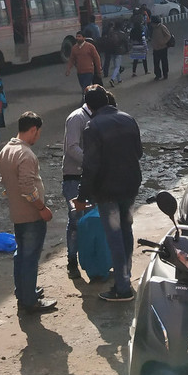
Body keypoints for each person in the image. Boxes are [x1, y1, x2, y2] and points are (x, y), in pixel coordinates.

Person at [79, 85, 143, 301]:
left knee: (115, 237)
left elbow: (90, 167)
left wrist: (82, 196)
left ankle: (122, 288)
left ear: (88, 106)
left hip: (107, 192)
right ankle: (125, 278)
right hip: (130, 186)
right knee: (126, 232)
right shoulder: (128, 119)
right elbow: (139, 152)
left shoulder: (92, 127)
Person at [0, 112, 57, 314]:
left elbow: (6, 181)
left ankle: (24, 292)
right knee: (30, 257)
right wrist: (41, 208)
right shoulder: (25, 154)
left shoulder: (5, 151)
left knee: (21, 255)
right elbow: (27, 187)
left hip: (17, 213)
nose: (37, 137)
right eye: (38, 133)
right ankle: (29, 300)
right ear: (33, 130)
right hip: (31, 215)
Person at [61, 90, 99, 280]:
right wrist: (92, 162)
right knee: (76, 219)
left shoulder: (95, 118)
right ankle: (72, 261)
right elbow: (72, 147)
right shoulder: (77, 118)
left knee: (91, 219)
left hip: (90, 177)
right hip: (74, 177)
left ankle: (90, 259)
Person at [65, 31, 102, 100]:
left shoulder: (90, 47)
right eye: (77, 36)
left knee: (85, 87)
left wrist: (99, 69)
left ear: (84, 38)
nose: (77, 38)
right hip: (80, 72)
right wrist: (68, 69)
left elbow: (96, 58)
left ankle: (84, 101)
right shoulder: (74, 48)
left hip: (89, 71)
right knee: (83, 87)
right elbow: (71, 59)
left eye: (79, 36)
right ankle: (91, 98)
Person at [149, 14, 172, 80]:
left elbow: (168, 36)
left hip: (163, 48)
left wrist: (162, 42)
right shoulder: (152, 28)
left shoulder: (162, 27)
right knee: (156, 63)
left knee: (164, 62)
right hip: (155, 48)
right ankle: (157, 75)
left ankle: (165, 74)